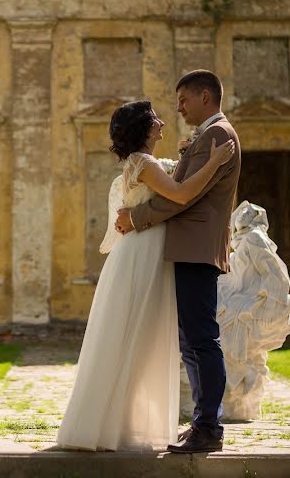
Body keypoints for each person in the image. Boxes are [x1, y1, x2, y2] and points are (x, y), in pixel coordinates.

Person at [55, 97, 235, 452]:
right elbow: (181, 195)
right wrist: (213, 161)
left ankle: (119, 422)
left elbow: (166, 193)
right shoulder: (144, 162)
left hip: (145, 247)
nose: (163, 124)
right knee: (139, 332)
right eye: (155, 120)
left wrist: (186, 158)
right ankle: (121, 423)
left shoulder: (141, 161)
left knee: (138, 335)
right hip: (144, 251)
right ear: (143, 127)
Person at [115, 69, 241, 453]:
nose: (179, 108)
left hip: (195, 247)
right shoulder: (209, 136)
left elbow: (180, 198)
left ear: (206, 96)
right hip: (190, 246)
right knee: (192, 340)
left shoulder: (218, 135)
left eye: (184, 100)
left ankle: (209, 428)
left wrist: (135, 218)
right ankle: (204, 421)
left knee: (202, 340)